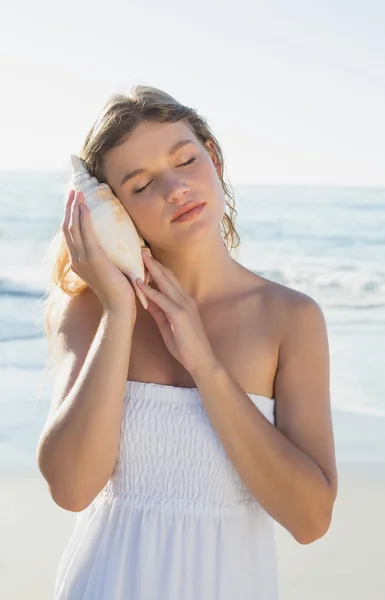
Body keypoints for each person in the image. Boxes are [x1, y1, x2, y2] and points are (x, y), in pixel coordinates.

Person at [36, 84, 338, 600]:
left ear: (213, 158)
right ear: (115, 210)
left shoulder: (289, 319)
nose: (175, 188)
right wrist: (118, 312)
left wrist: (206, 366)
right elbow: (71, 488)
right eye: (140, 185)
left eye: (185, 160)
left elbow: (310, 519)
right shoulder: (88, 311)